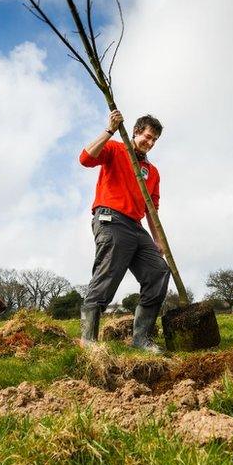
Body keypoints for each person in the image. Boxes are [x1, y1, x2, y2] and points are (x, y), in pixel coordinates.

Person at [78, 110, 171, 353]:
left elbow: (152, 209)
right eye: (147, 137)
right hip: (111, 219)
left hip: (137, 227)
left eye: (154, 141)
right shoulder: (116, 149)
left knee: (158, 271)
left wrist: (158, 240)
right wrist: (109, 130)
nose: (149, 143)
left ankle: (141, 339)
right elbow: (85, 158)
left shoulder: (153, 172)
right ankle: (88, 341)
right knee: (108, 275)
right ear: (136, 132)